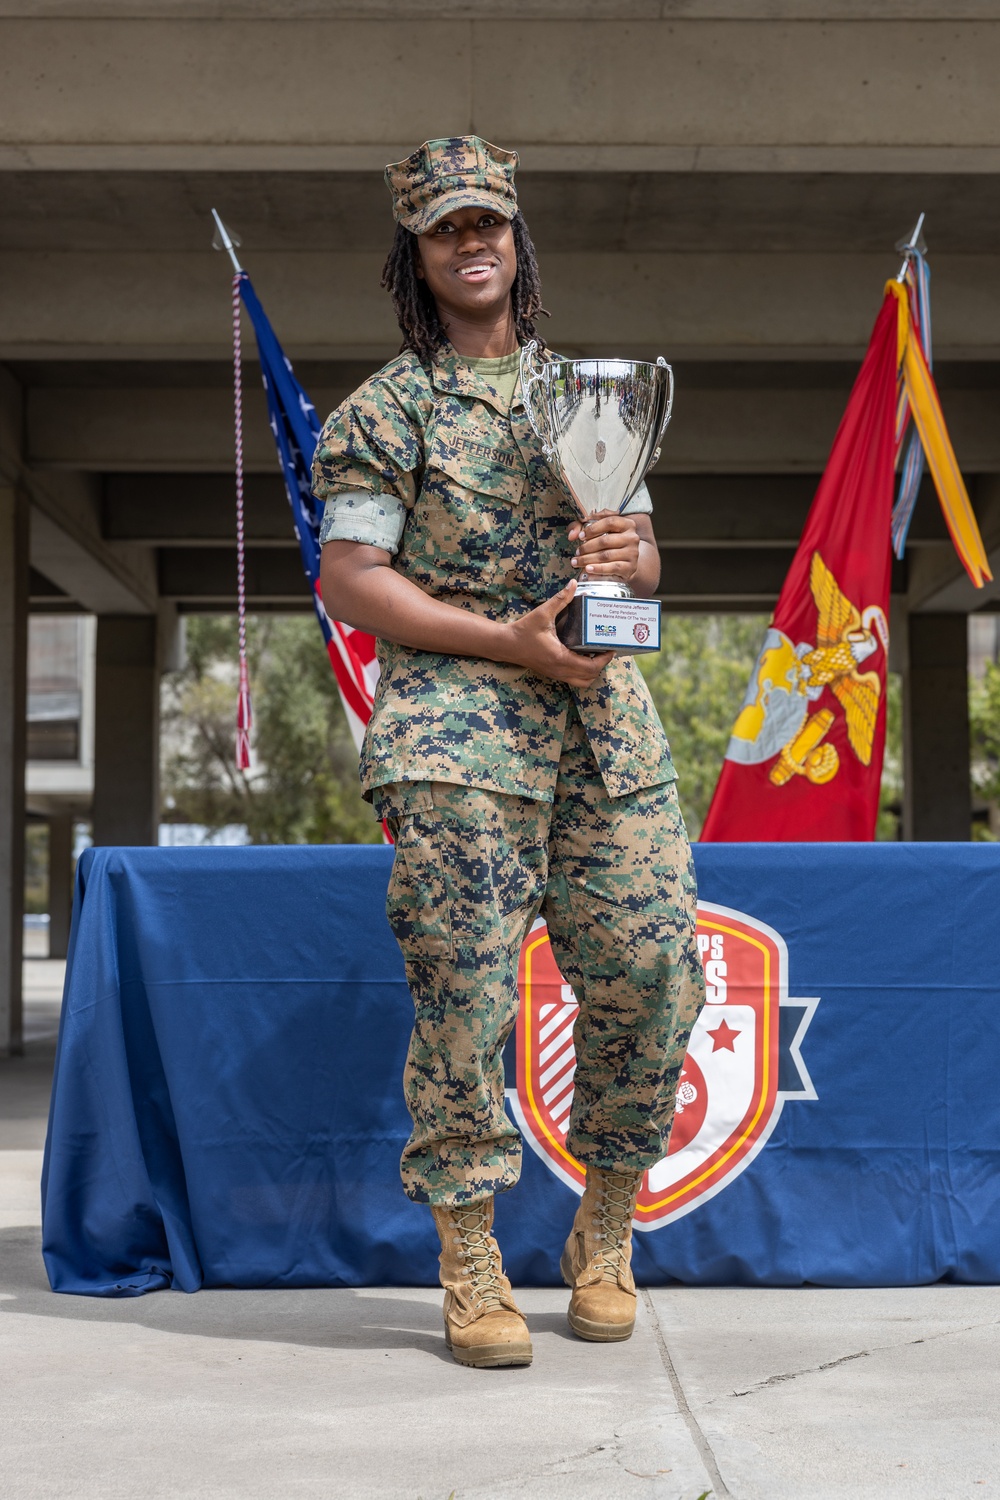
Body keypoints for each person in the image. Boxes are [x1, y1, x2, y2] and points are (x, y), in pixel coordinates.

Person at [314, 137, 705, 1370]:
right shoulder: (388, 411)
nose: (470, 240)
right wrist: (510, 641)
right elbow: (352, 580)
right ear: (414, 254)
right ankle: (471, 1259)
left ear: (517, 239)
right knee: (466, 1000)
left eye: (488, 220)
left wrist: (619, 555)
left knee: (650, 973)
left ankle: (603, 1228)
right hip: (458, 731)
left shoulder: (592, 396)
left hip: (604, 727)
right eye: (444, 228)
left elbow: (644, 562)